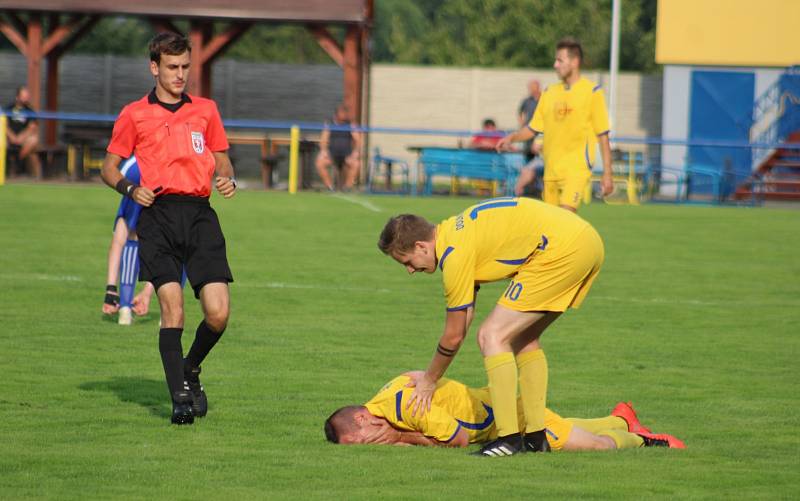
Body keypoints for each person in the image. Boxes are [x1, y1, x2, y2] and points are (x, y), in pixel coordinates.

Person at [377, 196, 604, 457]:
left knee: (492, 335)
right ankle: (535, 437)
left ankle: (508, 439)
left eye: (407, 261)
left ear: (421, 246)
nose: (410, 270)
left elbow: (453, 336)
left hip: (562, 248)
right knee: (523, 338)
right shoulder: (455, 234)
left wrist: (428, 381)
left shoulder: (454, 253)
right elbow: (464, 320)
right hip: (585, 240)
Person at [100, 32, 237, 425]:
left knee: (218, 314)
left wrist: (227, 178)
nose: (180, 75)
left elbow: (222, 160)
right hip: (157, 214)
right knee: (172, 308)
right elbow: (109, 168)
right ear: (155, 67)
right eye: (172, 67)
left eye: (185, 67)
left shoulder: (206, 111)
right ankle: (179, 396)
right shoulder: (133, 114)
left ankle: (190, 369)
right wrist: (130, 188)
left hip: (200, 216)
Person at [325, 372, 685, 451]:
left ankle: (644, 440)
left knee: (595, 448)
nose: (370, 445)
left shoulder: (406, 409)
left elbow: (459, 439)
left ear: (362, 418)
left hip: (510, 417)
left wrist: (400, 437)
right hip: (500, 414)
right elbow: (411, 375)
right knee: (564, 425)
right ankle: (622, 417)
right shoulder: (385, 400)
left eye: (363, 441)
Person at [497, 38, 614, 212]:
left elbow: (602, 136)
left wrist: (607, 174)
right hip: (551, 171)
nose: (555, 65)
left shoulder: (592, 92)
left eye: (560, 60)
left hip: (576, 169)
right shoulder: (549, 93)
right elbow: (532, 129)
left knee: (565, 218)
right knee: (551, 228)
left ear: (574, 62)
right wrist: (512, 138)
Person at [101, 155, 155, 325]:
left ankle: (124, 306)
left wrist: (110, 288)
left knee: (124, 236)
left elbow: (117, 243)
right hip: (163, 170)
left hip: (138, 167)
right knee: (177, 242)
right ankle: (169, 313)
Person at [315, 104, 361, 191]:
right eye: (342, 113)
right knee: (319, 163)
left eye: (345, 113)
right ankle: (330, 187)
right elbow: (323, 140)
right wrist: (323, 151)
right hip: (332, 154)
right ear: (336, 114)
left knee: (356, 164)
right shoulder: (329, 124)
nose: (345, 115)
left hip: (346, 155)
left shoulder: (351, 125)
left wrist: (355, 152)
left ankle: (347, 187)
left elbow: (358, 140)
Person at [5, 86, 42, 179]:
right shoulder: (8, 108)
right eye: (23, 96)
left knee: (34, 140)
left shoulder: (30, 110)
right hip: (9, 138)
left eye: (27, 97)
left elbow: (32, 127)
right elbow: (3, 125)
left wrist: (21, 137)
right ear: (17, 97)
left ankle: (17, 160)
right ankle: (8, 169)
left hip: (23, 139)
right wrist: (12, 136)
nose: (26, 99)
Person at [515, 80, 543, 196]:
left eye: (532, 87)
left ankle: (538, 189)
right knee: (528, 163)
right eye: (529, 87)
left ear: (538, 87)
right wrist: (522, 126)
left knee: (538, 164)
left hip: (540, 135)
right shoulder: (527, 101)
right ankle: (529, 189)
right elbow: (520, 113)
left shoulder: (544, 99)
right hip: (529, 135)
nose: (531, 90)